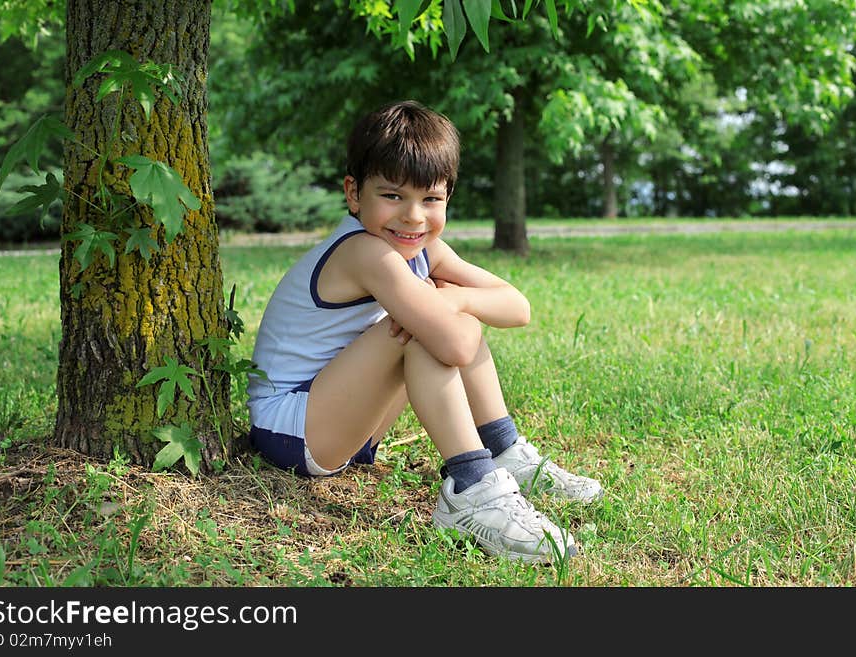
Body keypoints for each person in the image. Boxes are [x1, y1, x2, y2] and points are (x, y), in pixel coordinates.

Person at [247, 100, 603, 563]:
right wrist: (446, 309)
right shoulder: (365, 253)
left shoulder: (421, 246)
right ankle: (473, 489)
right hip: (290, 428)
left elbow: (518, 307)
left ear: (447, 198)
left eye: (431, 199)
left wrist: (456, 298)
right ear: (354, 194)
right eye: (393, 196)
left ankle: (504, 451)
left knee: (444, 319)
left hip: (342, 423)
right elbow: (453, 343)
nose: (414, 216)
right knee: (422, 332)